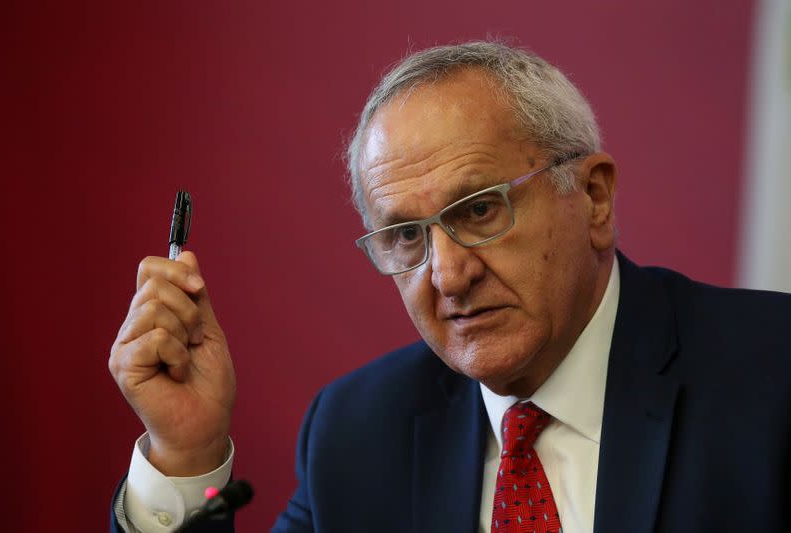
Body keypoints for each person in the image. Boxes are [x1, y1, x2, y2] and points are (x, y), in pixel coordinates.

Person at [109, 41, 791, 533]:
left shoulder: (771, 373)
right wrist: (186, 454)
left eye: (481, 209)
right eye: (406, 234)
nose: (448, 273)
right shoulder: (356, 433)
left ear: (594, 197)